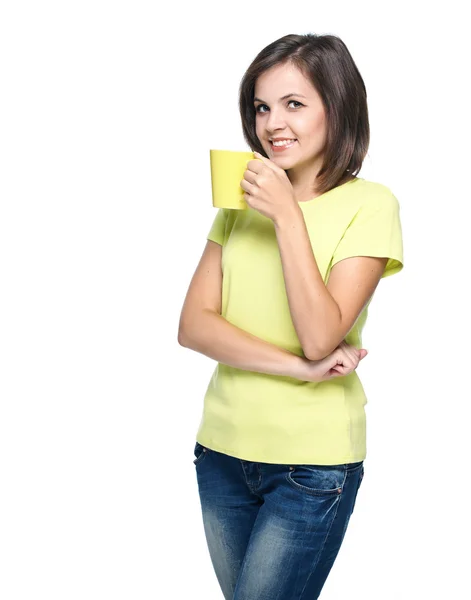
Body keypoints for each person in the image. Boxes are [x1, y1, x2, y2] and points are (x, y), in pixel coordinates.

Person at [177, 33, 403, 600]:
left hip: (311, 466)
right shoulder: (239, 203)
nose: (272, 123)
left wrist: (286, 216)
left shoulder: (370, 205)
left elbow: (321, 333)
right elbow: (194, 326)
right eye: (261, 106)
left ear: (339, 105)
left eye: (294, 104)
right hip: (222, 453)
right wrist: (299, 370)